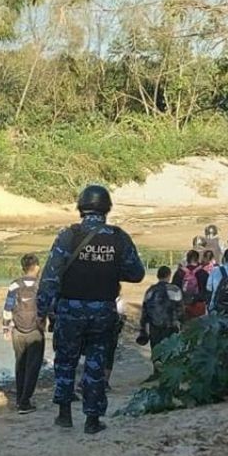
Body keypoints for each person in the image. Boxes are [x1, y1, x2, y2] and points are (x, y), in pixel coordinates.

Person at [38, 184, 145, 435]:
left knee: (65, 361)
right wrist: (110, 268)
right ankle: (92, 420)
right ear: (107, 208)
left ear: (80, 208)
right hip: (102, 311)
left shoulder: (69, 236)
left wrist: (42, 310)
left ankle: (64, 414)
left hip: (69, 310)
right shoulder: (118, 237)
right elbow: (137, 273)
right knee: (96, 363)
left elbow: (50, 277)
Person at [3, 254, 45, 414]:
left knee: (20, 364)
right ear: (36, 267)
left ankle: (20, 397)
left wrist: (6, 329)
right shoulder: (41, 285)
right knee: (33, 367)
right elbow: (47, 307)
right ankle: (25, 402)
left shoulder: (14, 284)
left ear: (23, 268)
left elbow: (8, 308)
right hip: (35, 331)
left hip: (17, 331)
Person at [139, 266, 183, 363]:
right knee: (170, 350)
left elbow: (145, 310)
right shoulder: (174, 289)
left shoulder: (150, 290)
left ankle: (156, 371)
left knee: (156, 350)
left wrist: (143, 328)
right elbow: (180, 309)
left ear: (158, 276)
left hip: (154, 325)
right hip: (170, 325)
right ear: (169, 275)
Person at [173, 249, 209, 319]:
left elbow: (174, 289)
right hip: (199, 305)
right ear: (197, 259)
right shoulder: (204, 273)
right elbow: (208, 290)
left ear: (187, 259)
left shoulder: (179, 273)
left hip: (183, 305)